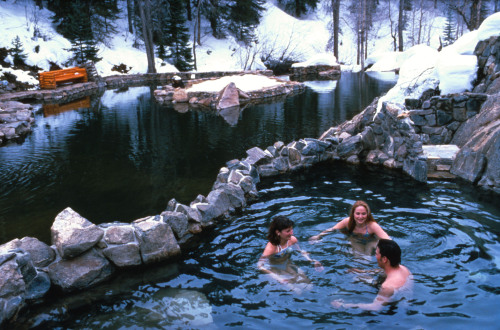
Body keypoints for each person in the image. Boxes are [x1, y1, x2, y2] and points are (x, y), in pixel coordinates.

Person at [331, 239, 413, 311]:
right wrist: (362, 272)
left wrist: (344, 305)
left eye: (377, 253)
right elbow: (383, 271)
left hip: (393, 311)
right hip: (403, 302)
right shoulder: (404, 269)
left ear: (384, 259)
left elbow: (375, 307)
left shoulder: (387, 286)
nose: (375, 256)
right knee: (358, 277)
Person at [258, 215, 323, 292]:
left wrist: (312, 261)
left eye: (291, 229)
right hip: (276, 270)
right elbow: (260, 266)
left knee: (309, 286)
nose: (291, 233)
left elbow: (301, 251)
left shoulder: (292, 240)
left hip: (288, 265)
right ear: (278, 232)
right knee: (297, 291)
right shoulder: (271, 247)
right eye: (288, 231)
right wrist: (279, 278)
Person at [309, 200, 390, 243]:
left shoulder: (372, 225)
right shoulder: (347, 221)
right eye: (357, 213)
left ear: (368, 214)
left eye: (363, 214)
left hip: (369, 243)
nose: (360, 217)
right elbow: (332, 229)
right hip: (353, 240)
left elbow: (387, 239)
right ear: (353, 214)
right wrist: (318, 236)